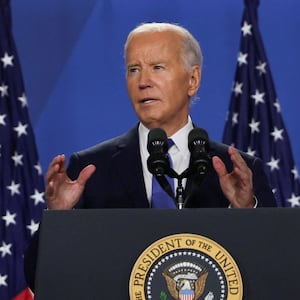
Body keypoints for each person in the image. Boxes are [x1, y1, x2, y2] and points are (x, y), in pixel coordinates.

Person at [24, 22, 277, 291]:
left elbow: (275, 271)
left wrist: (246, 212)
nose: (143, 82)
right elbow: (41, 281)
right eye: (134, 70)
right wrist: (59, 218)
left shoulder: (238, 172)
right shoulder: (89, 170)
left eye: (157, 67)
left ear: (193, 80)